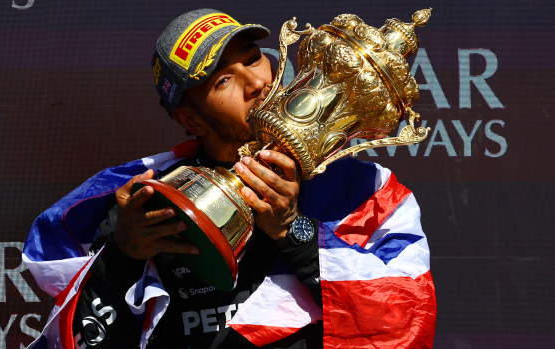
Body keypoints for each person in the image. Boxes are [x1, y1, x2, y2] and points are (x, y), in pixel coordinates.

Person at [23, 8, 437, 349]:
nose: (259, 81)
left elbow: (402, 326)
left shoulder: (367, 194)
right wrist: (120, 259)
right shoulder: (151, 207)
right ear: (190, 119)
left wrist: (294, 232)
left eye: (253, 57)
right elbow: (84, 340)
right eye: (223, 80)